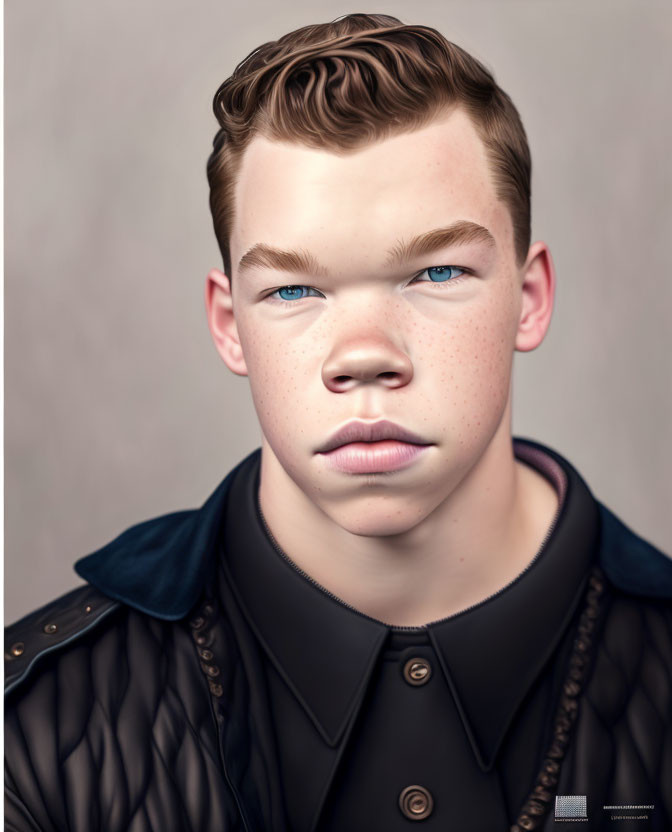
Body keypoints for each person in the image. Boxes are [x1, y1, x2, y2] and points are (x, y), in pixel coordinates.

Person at [4, 13, 671, 832]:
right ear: (227, 324)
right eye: (292, 289)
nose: (361, 356)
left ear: (528, 300)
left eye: (435, 272)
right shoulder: (28, 734)